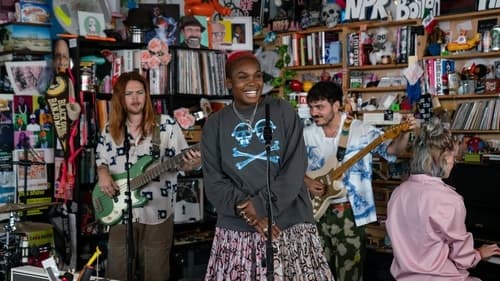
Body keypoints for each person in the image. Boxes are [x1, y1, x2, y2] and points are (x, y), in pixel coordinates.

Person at [201, 51, 334, 280]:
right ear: (228, 83)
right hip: (238, 227)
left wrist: (261, 206)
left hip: (289, 221)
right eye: (243, 77)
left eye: (258, 76)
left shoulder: (282, 110)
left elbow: (295, 167)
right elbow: (214, 181)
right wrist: (251, 214)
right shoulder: (215, 124)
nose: (252, 83)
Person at [303, 81, 417, 281]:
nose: (314, 112)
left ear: (337, 105)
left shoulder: (362, 131)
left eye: (319, 107)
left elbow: (392, 151)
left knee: (350, 271)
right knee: (317, 270)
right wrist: (306, 181)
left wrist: (405, 133)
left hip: (350, 211)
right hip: (314, 211)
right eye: (311, 107)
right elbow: (287, 166)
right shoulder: (306, 134)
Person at [95, 71, 201, 281]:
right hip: (120, 213)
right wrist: (102, 172)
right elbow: (101, 159)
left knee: (156, 274)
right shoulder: (110, 129)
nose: (135, 98)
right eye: (129, 94)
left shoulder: (167, 125)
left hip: (158, 214)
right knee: (116, 273)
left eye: (140, 92)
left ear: (146, 95)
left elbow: (187, 164)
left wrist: (193, 162)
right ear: (120, 98)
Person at [386, 118, 500, 280]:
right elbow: (463, 259)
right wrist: (479, 253)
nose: (454, 162)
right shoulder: (448, 199)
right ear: (445, 158)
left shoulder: (397, 193)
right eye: (453, 156)